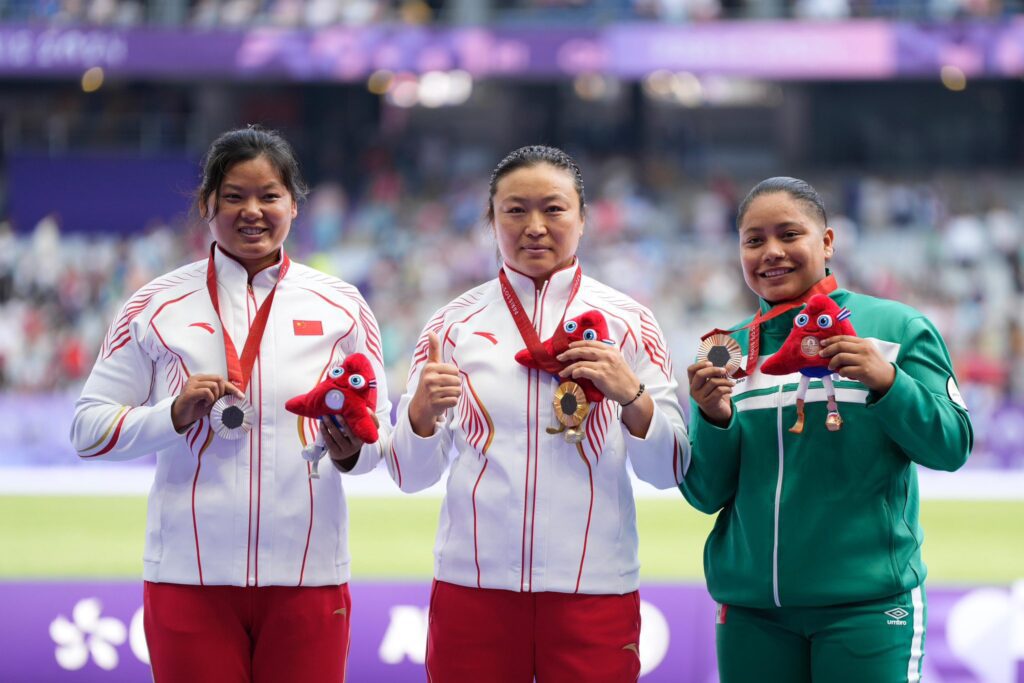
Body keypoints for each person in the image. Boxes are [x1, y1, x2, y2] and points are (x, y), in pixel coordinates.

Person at [70, 126, 391, 682]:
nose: (253, 211)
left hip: (308, 580)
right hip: (188, 580)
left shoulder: (342, 305)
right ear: (206, 205)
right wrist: (170, 414)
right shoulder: (155, 303)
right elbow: (87, 429)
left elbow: (376, 443)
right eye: (234, 196)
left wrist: (348, 453)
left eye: (269, 196)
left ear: (294, 203)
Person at [387, 145, 688, 682]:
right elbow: (410, 476)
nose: (534, 226)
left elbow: (667, 471)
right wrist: (419, 415)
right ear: (490, 218)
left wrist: (630, 393)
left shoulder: (629, 322)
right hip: (472, 590)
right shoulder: (450, 326)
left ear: (583, 218)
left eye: (553, 209)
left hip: (593, 590)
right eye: (515, 209)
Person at [681, 176, 973, 683]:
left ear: (828, 242)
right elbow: (705, 493)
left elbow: (952, 446)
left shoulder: (896, 329)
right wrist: (713, 419)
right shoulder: (722, 349)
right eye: (754, 240)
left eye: (789, 234)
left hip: (867, 610)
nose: (771, 252)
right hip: (752, 614)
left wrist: (888, 382)